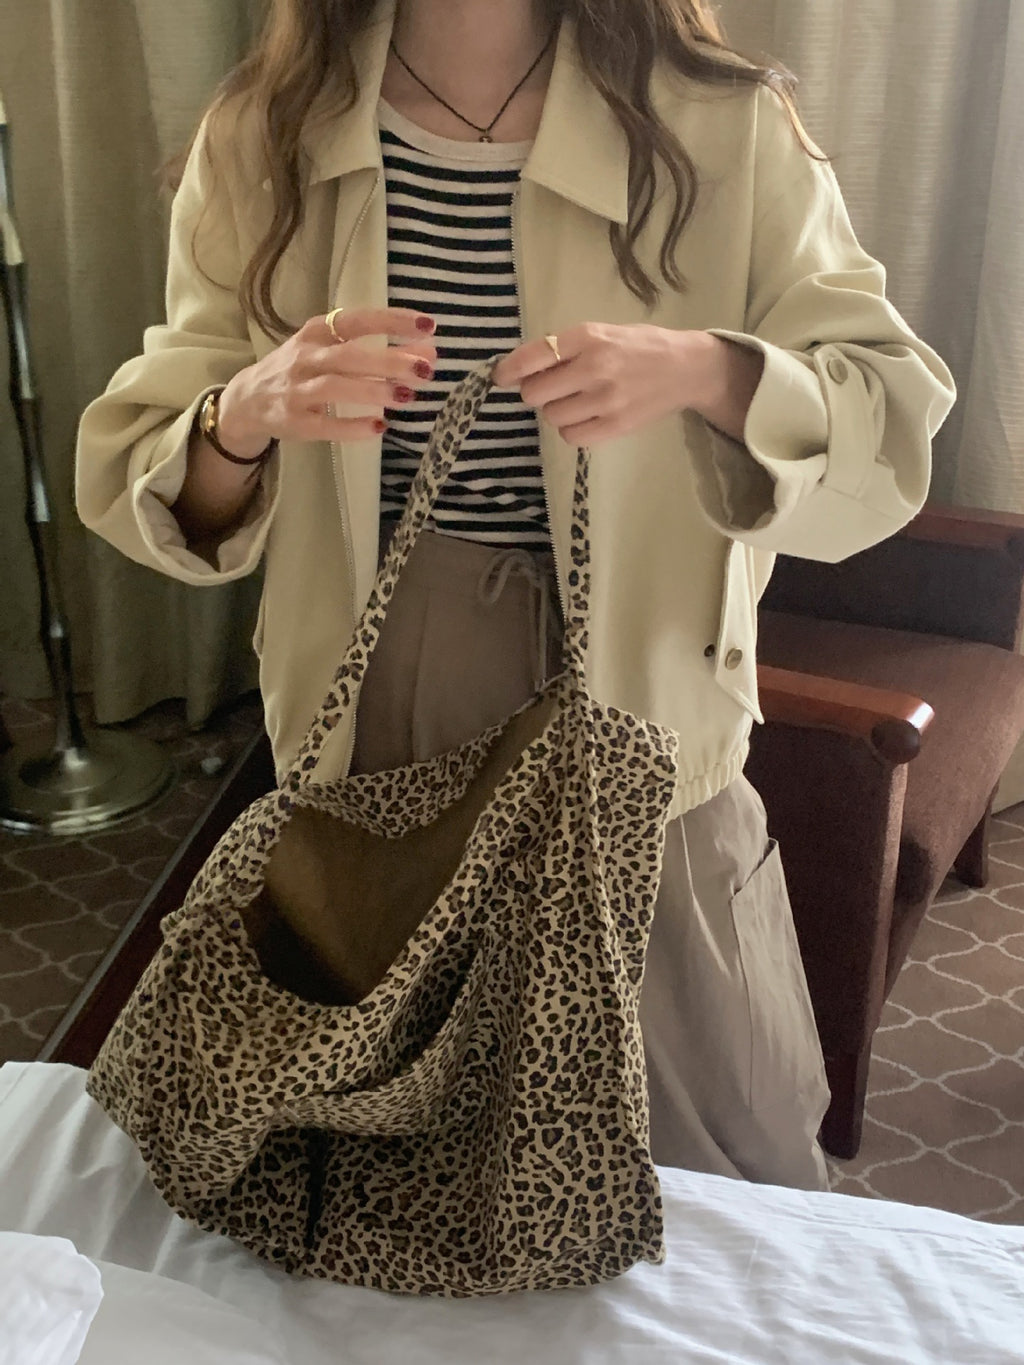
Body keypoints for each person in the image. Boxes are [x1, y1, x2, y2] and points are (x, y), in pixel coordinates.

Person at [76, 0, 955, 1190]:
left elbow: (887, 417)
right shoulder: (268, 128)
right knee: (399, 1160)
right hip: (388, 705)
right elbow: (157, 468)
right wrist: (243, 415)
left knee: (717, 1155)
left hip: (648, 697)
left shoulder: (726, 120)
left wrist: (708, 369)